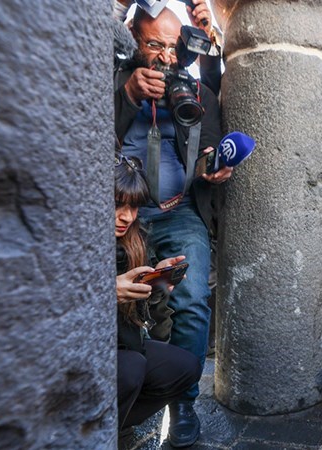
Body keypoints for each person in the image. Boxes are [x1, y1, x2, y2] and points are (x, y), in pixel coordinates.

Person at [115, 5, 227, 447]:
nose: (163, 56)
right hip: (120, 212)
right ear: (133, 43)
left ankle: (182, 401)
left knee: (195, 299)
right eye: (153, 44)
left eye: (171, 46)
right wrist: (127, 95)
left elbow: (208, 147)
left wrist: (216, 167)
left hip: (179, 211)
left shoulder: (195, 90)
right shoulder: (114, 80)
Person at [114, 154, 201, 435]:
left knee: (184, 367)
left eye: (134, 206)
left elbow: (152, 330)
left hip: (126, 345)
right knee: (130, 368)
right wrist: (107, 292)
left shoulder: (134, 241)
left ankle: (116, 423)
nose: (127, 216)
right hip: (79, 355)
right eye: (117, 205)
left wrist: (154, 288)